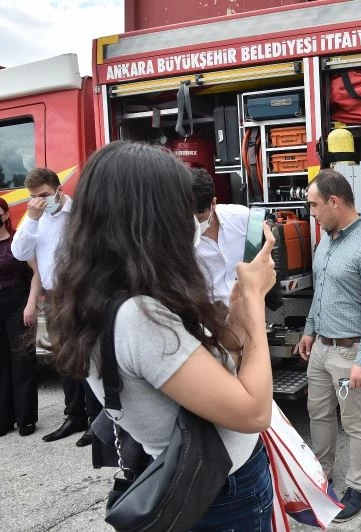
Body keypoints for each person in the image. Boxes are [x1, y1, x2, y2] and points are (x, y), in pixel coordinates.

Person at [47, 141, 277, 530]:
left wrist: (238, 307)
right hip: (222, 492)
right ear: (152, 218)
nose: (192, 220)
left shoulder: (112, 295)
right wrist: (255, 302)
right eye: (179, 207)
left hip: (215, 483)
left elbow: (224, 359)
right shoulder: (138, 316)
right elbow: (253, 412)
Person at [293, 168, 361, 522]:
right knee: (317, 415)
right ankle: (321, 479)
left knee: (356, 423)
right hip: (321, 348)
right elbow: (321, 293)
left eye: (315, 205)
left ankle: (358, 488)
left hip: (352, 353)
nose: (312, 213)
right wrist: (308, 330)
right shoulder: (326, 242)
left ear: (334, 202)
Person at [10, 167, 101, 446]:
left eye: (44, 195)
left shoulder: (81, 214)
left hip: (82, 293)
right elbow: (20, 253)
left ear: (58, 190)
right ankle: (74, 415)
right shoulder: (34, 219)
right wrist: (32, 220)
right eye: (34, 197)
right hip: (54, 296)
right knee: (63, 358)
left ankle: (97, 422)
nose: (39, 201)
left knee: (89, 358)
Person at [0, 198, 40, 437]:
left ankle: (26, 419)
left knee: (22, 360)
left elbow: (36, 273)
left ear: (5, 215)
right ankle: (4, 418)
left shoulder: (17, 240)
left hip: (18, 302)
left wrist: (31, 304)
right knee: (1, 362)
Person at [192, 167, 251, 307]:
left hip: (247, 312)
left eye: (200, 218)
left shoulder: (242, 218)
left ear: (213, 204)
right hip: (209, 318)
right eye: (189, 217)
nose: (194, 223)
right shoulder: (178, 239)